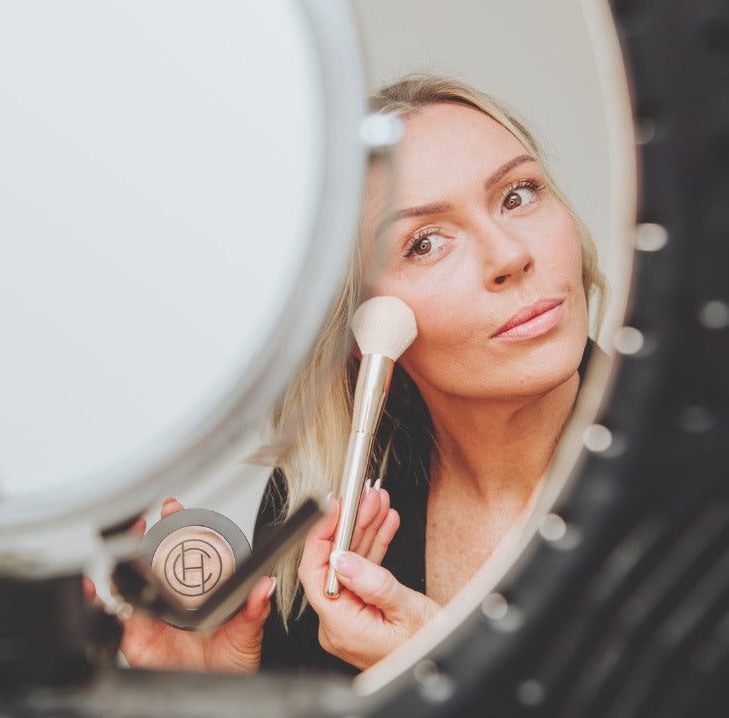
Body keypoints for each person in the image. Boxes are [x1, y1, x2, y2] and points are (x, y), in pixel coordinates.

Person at [114, 73, 607, 676]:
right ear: (358, 327)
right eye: (425, 243)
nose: (509, 255)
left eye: (518, 194)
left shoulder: (699, 466)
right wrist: (230, 705)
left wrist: (436, 675)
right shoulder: (326, 511)